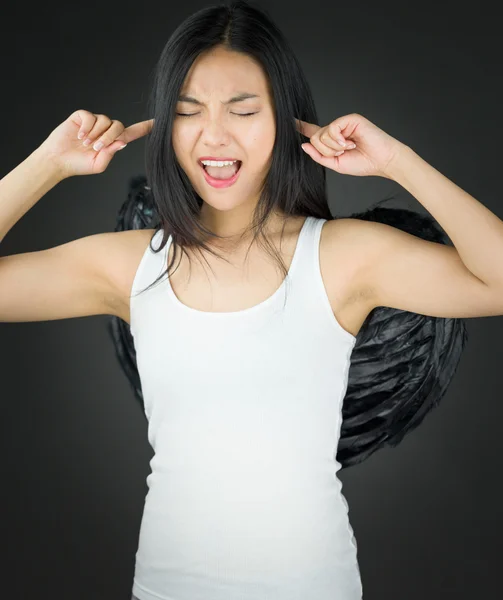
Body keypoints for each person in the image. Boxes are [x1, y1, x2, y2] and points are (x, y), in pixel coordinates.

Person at [2, 0, 501, 598]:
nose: (214, 136)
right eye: (189, 112)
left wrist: (398, 163)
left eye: (242, 110)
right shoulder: (134, 265)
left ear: (284, 120)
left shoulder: (342, 257)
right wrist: (48, 164)